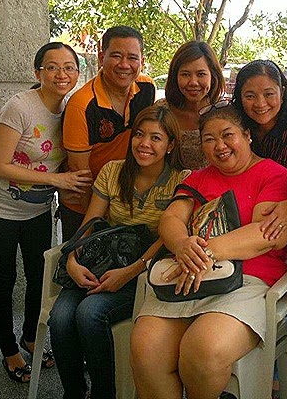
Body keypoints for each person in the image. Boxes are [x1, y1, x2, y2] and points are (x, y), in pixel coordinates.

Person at [130, 104, 287, 399]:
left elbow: (266, 235)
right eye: (209, 139)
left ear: (247, 135)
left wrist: (204, 254)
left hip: (247, 282)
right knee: (145, 349)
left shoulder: (274, 175)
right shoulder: (197, 178)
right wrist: (182, 244)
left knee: (202, 349)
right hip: (186, 278)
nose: (220, 146)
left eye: (227, 135)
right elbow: (171, 218)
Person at [49, 104, 189, 399]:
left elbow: (168, 239)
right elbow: (90, 223)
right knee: (60, 318)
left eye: (156, 138)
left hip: (144, 272)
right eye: (139, 134)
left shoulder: (181, 180)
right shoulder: (113, 171)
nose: (144, 144)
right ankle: (73, 393)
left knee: (89, 314)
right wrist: (72, 258)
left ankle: (104, 394)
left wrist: (129, 272)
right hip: (102, 261)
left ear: (170, 145)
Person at [0, 42, 92, 383]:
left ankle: (30, 336)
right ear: (37, 72)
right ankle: (9, 349)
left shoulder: (72, 109)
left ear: (78, 72)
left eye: (69, 67)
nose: (61, 74)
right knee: (5, 278)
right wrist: (57, 180)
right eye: (52, 67)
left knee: (39, 276)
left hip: (38, 209)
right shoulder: (20, 107)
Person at [231, 59, 287, 376]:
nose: (260, 103)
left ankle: (282, 377)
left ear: (283, 92)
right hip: (249, 226)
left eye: (269, 93)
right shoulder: (240, 129)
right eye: (250, 95)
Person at [60, 26, 155, 240]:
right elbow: (80, 176)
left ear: (141, 60)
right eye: (116, 56)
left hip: (125, 203)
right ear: (101, 57)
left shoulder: (147, 88)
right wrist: (98, 221)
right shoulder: (82, 105)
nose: (124, 65)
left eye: (132, 57)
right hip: (85, 207)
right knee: (81, 258)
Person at [161, 40, 225, 169]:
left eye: (201, 74)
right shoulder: (162, 111)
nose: (193, 82)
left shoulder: (225, 112)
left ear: (213, 76)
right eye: (185, 74)